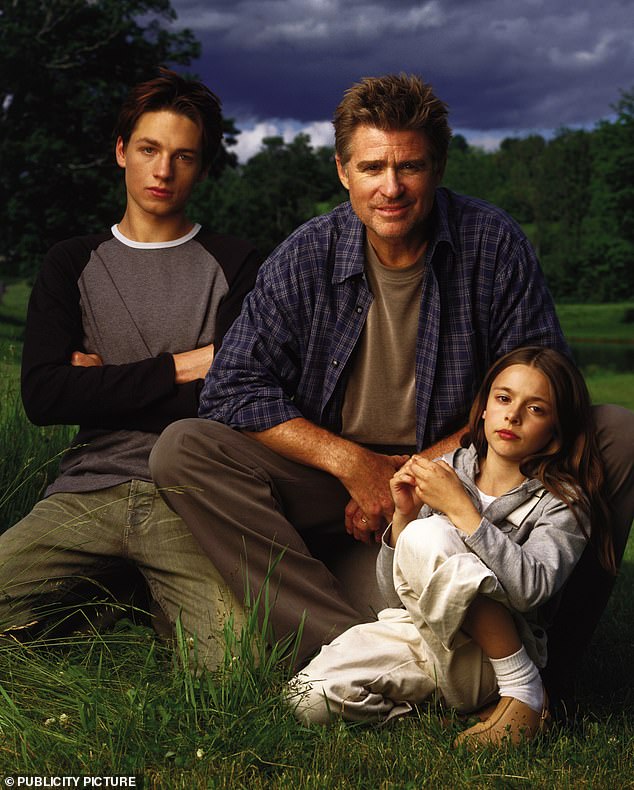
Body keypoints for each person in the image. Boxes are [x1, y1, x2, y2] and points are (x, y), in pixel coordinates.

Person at [149, 74, 633, 701]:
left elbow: (547, 387)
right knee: (184, 450)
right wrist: (352, 464)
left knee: (617, 432)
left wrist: (412, 473)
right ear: (343, 171)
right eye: (373, 166)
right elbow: (232, 386)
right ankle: (346, 643)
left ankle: (539, 678)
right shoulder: (306, 256)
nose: (392, 187)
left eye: (411, 166)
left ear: (439, 167)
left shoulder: (492, 244)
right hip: (332, 484)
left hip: (467, 475)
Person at [0, 68, 260, 668]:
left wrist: (98, 381)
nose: (163, 171)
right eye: (148, 150)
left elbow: (234, 401)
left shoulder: (236, 262)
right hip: (88, 489)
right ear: (122, 152)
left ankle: (127, 592)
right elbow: (44, 395)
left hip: (188, 494)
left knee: (236, 663)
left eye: (183, 156)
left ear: (202, 165)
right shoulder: (72, 262)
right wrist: (186, 365)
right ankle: (109, 594)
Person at [289, 346, 615, 748]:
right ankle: (458, 718)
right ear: (482, 410)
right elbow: (396, 598)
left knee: (431, 536)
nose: (512, 415)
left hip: (490, 657)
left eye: (536, 409)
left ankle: (524, 690)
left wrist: (463, 513)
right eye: (504, 398)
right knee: (307, 697)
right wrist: (403, 520)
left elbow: (533, 590)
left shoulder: (562, 500)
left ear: (556, 429)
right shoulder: (449, 467)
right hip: (421, 636)